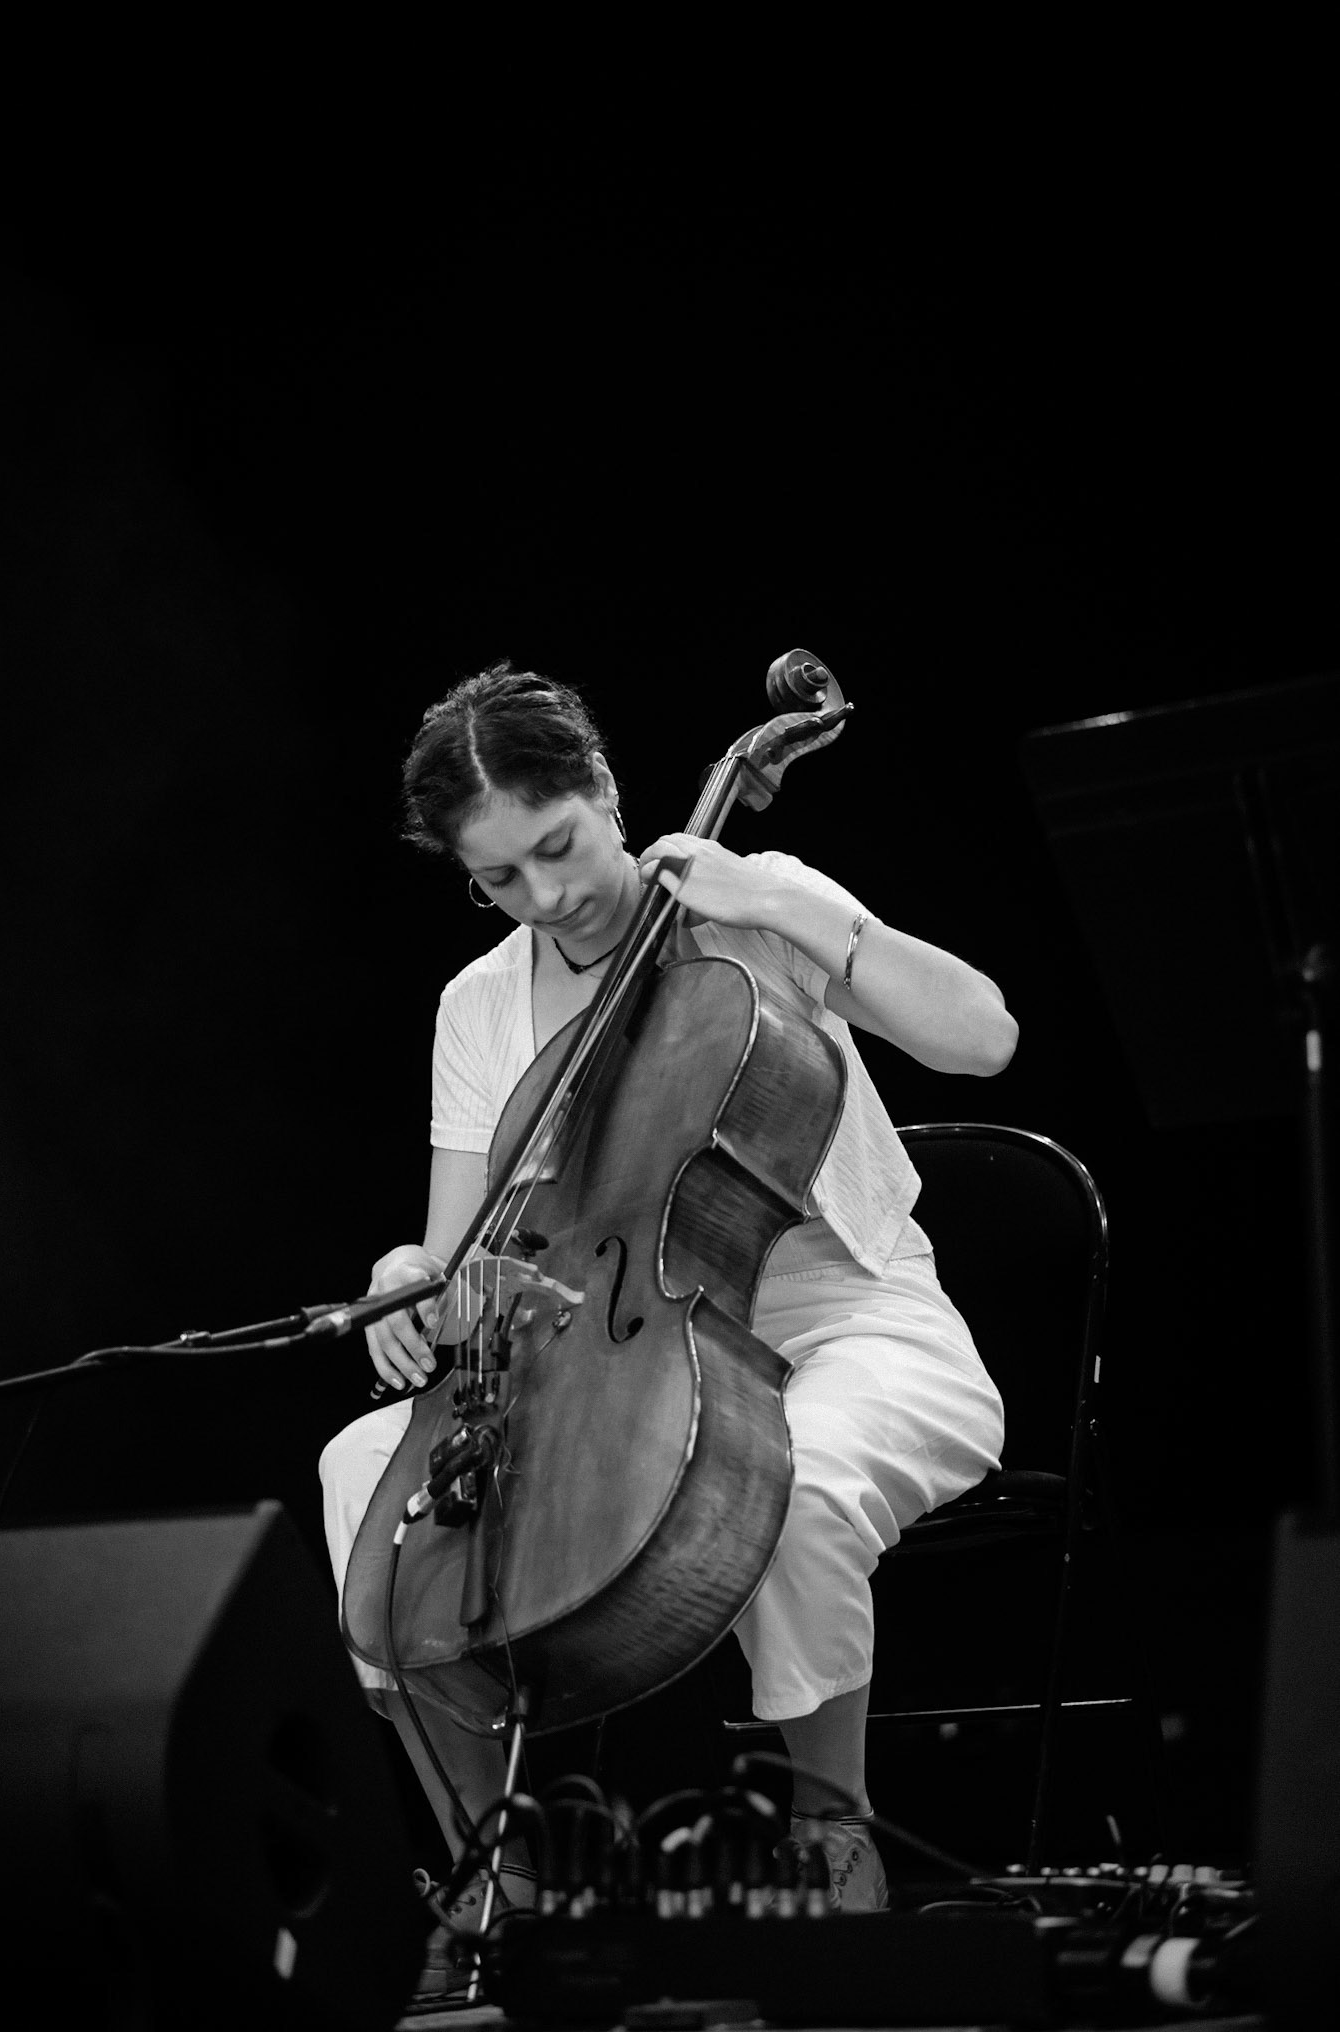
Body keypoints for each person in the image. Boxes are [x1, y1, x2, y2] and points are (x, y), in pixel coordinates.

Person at [320, 660, 1015, 1913]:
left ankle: (831, 1828)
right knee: (360, 1475)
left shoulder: (756, 904)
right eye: (500, 878)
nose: (548, 897)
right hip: (603, 1349)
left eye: (560, 846)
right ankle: (502, 1873)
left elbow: (984, 1037)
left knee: (788, 1478)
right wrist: (406, 1276)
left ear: (603, 789)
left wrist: (779, 900)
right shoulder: (480, 1002)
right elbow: (467, 1246)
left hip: (847, 1323)